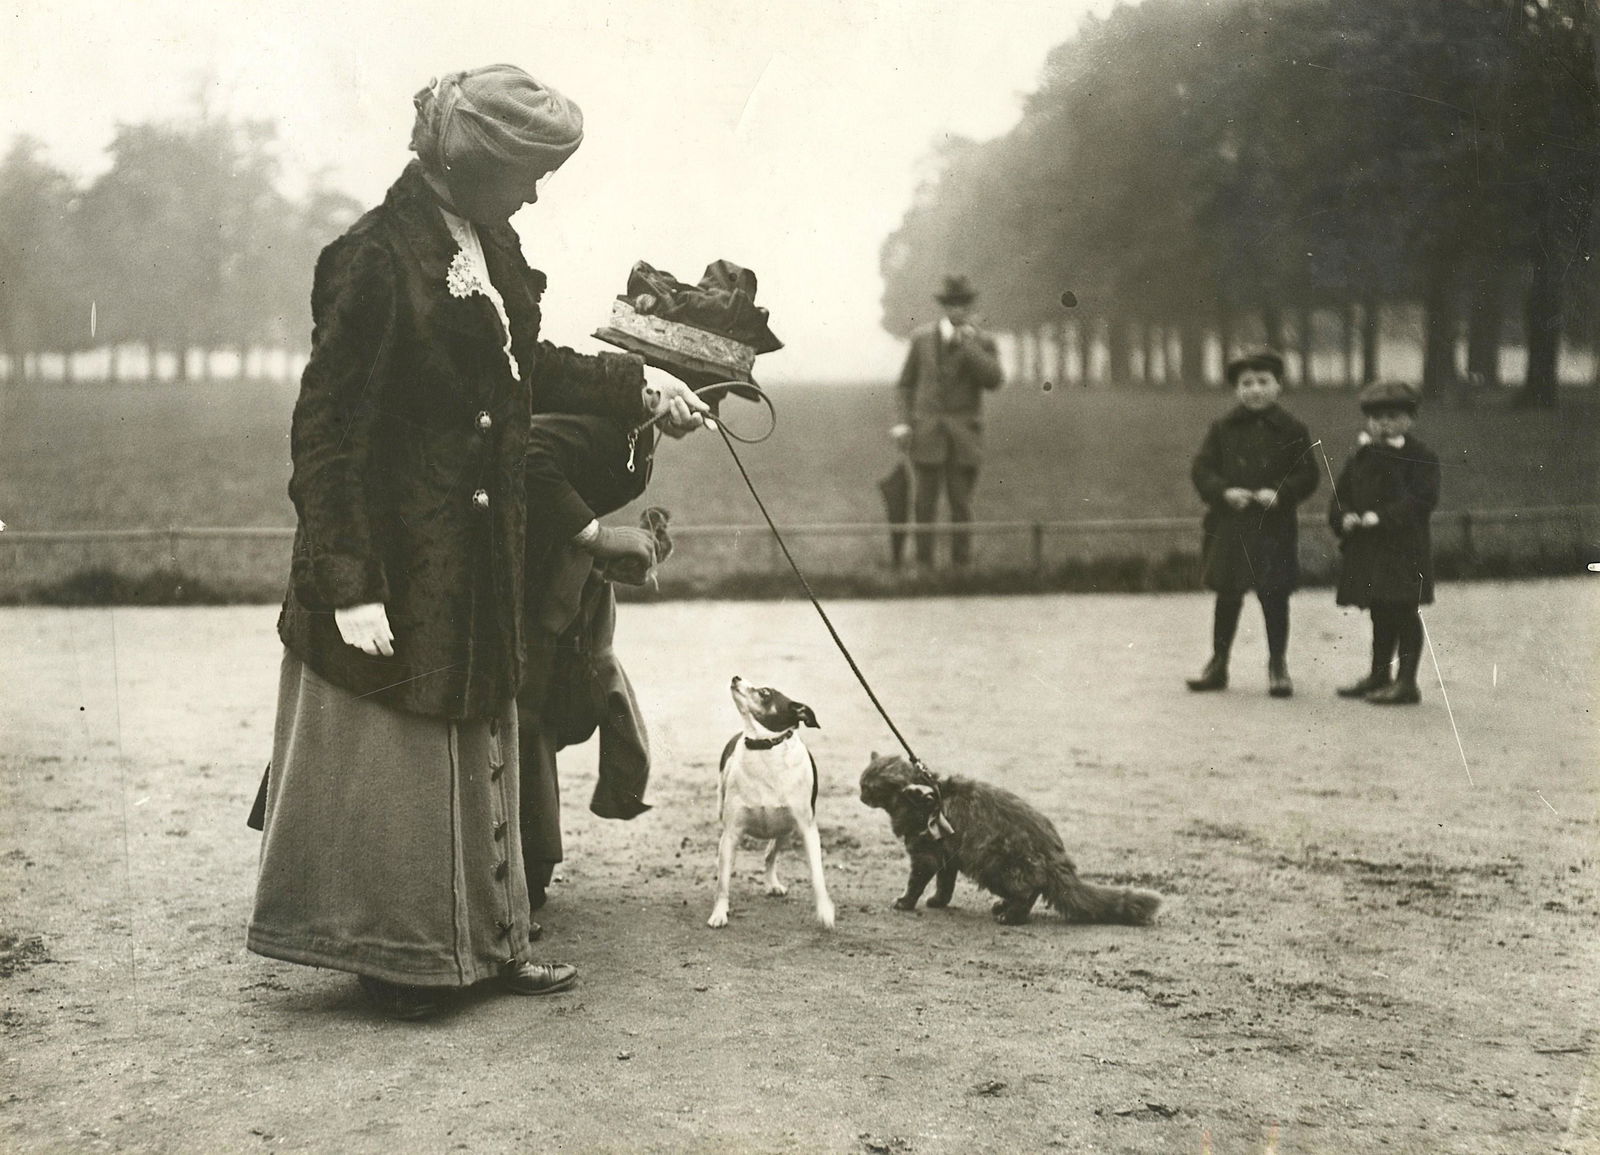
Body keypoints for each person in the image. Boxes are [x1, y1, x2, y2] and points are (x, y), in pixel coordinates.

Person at [247, 64, 708, 1022]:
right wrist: (347, 582)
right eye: (528, 172)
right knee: (398, 756)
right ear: (473, 162)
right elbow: (326, 430)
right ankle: (401, 958)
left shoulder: (487, 241)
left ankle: (487, 944)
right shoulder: (373, 258)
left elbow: (523, 367)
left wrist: (638, 386)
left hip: (472, 553)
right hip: (398, 555)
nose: (538, 191)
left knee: (475, 742)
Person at [1186, 348, 1318, 697]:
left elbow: (1308, 473)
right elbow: (1201, 469)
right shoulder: (1222, 429)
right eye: (1246, 383)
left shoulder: (1292, 429)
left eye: (1263, 382)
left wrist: (1281, 493)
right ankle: (1218, 663)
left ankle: (1278, 665)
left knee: (1275, 596)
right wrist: (1224, 491)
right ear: (1236, 389)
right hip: (1230, 526)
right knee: (1227, 595)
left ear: (1278, 386)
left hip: (1273, 528)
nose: (1255, 390)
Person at [1328, 380, 1441, 705]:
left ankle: (1407, 681)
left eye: (1392, 416)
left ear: (1409, 419)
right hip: (1370, 550)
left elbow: (1422, 499)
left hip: (1404, 551)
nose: (1383, 423)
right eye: (1376, 417)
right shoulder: (1361, 456)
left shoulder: (1421, 457)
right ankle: (1380, 673)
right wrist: (1345, 516)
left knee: (1404, 610)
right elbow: (1340, 495)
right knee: (1379, 609)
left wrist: (1381, 517)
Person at [890, 274, 1005, 569]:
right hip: (926, 434)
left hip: (964, 438)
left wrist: (969, 347)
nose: (957, 310)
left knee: (961, 504)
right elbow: (905, 384)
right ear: (944, 306)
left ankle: (961, 568)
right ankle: (924, 566)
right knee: (924, 504)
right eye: (952, 304)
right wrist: (904, 422)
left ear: (969, 307)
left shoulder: (983, 342)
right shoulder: (922, 340)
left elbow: (993, 380)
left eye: (963, 304)